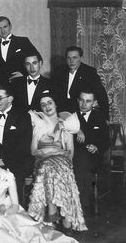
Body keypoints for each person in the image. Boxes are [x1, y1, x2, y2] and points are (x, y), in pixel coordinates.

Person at [0, 144, 79, 243]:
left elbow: (15, 205)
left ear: (0, 158)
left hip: (7, 210)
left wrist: (3, 212)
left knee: (27, 233)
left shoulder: (8, 176)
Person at [28, 93, 87, 231]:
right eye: (43, 104)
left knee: (54, 168)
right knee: (48, 166)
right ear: (40, 108)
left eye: (49, 102)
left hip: (62, 161)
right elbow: (33, 150)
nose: (47, 106)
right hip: (42, 160)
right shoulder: (38, 124)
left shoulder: (65, 124)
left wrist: (65, 163)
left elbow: (70, 151)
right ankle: (64, 219)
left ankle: (53, 213)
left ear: (55, 105)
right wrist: (49, 153)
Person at [0, 84, 33, 199]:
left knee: (15, 190)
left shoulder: (23, 116)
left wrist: (6, 161)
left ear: (10, 99)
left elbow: (24, 145)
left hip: (17, 161)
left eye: (0, 98)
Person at [73, 90, 109, 209]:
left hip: (94, 158)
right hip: (75, 156)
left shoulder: (99, 117)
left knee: (84, 162)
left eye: (88, 101)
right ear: (78, 101)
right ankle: (81, 203)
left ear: (94, 103)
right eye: (81, 100)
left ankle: (79, 203)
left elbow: (106, 141)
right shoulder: (72, 117)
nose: (84, 104)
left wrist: (97, 147)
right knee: (81, 159)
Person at [53, 46, 109, 121]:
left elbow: (102, 96)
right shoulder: (59, 71)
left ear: (81, 58)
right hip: (61, 113)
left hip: (81, 113)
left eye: (74, 58)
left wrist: (105, 118)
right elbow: (54, 93)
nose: (71, 61)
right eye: (68, 58)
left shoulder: (89, 72)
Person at [0, 16, 38, 80]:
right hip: (5, 86)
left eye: (5, 27)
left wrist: (23, 73)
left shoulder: (23, 41)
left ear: (10, 27)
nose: (2, 31)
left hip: (22, 82)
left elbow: (38, 59)